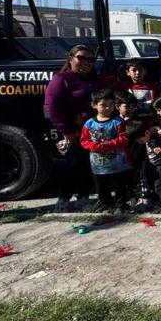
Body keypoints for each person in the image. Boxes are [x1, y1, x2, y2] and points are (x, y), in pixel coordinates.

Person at [45, 45, 102, 212]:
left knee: (88, 167)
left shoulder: (95, 79)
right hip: (72, 133)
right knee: (72, 167)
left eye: (90, 59)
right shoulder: (61, 79)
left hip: (93, 132)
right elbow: (51, 107)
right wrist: (67, 131)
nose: (86, 62)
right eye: (81, 57)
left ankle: (83, 199)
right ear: (70, 59)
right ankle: (63, 201)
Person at [79, 88, 132, 212]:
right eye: (103, 105)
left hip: (117, 164)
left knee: (119, 186)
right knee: (101, 187)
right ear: (94, 105)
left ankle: (121, 206)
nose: (108, 108)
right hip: (98, 165)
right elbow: (84, 140)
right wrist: (94, 146)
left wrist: (108, 145)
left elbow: (123, 138)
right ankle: (106, 205)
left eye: (111, 105)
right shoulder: (89, 123)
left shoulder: (118, 121)